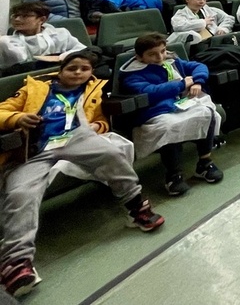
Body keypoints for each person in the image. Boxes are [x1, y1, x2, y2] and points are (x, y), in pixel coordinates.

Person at [0, 52, 164, 297]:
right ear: (61, 70)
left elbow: (101, 119)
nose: (78, 73)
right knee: (21, 192)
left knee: (112, 155)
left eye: (84, 69)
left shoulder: (94, 89)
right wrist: (18, 118)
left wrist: (100, 127)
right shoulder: (34, 88)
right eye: (72, 68)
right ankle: (16, 262)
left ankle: (135, 206)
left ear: (91, 73)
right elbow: (2, 111)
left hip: (77, 137)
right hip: (37, 147)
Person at [120, 34, 223, 195]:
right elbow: (151, 92)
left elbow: (199, 66)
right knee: (170, 127)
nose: (160, 57)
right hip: (155, 112)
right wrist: (182, 83)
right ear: (139, 57)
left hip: (180, 104)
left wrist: (197, 80)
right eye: (152, 54)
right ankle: (174, 175)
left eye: (162, 51)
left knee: (206, 112)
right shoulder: (132, 74)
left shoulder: (172, 61)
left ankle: (204, 162)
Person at [0, 2, 89, 74]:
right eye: (15, 16)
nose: (17, 19)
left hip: (63, 73)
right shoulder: (8, 42)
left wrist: (62, 56)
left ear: (42, 20)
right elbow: (19, 66)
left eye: (25, 16)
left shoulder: (60, 33)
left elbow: (82, 50)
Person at [168, 0, 234, 46]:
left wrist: (223, 28)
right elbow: (178, 26)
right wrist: (203, 22)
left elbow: (229, 18)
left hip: (215, 42)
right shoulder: (181, 14)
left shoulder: (209, 10)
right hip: (197, 46)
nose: (202, 2)